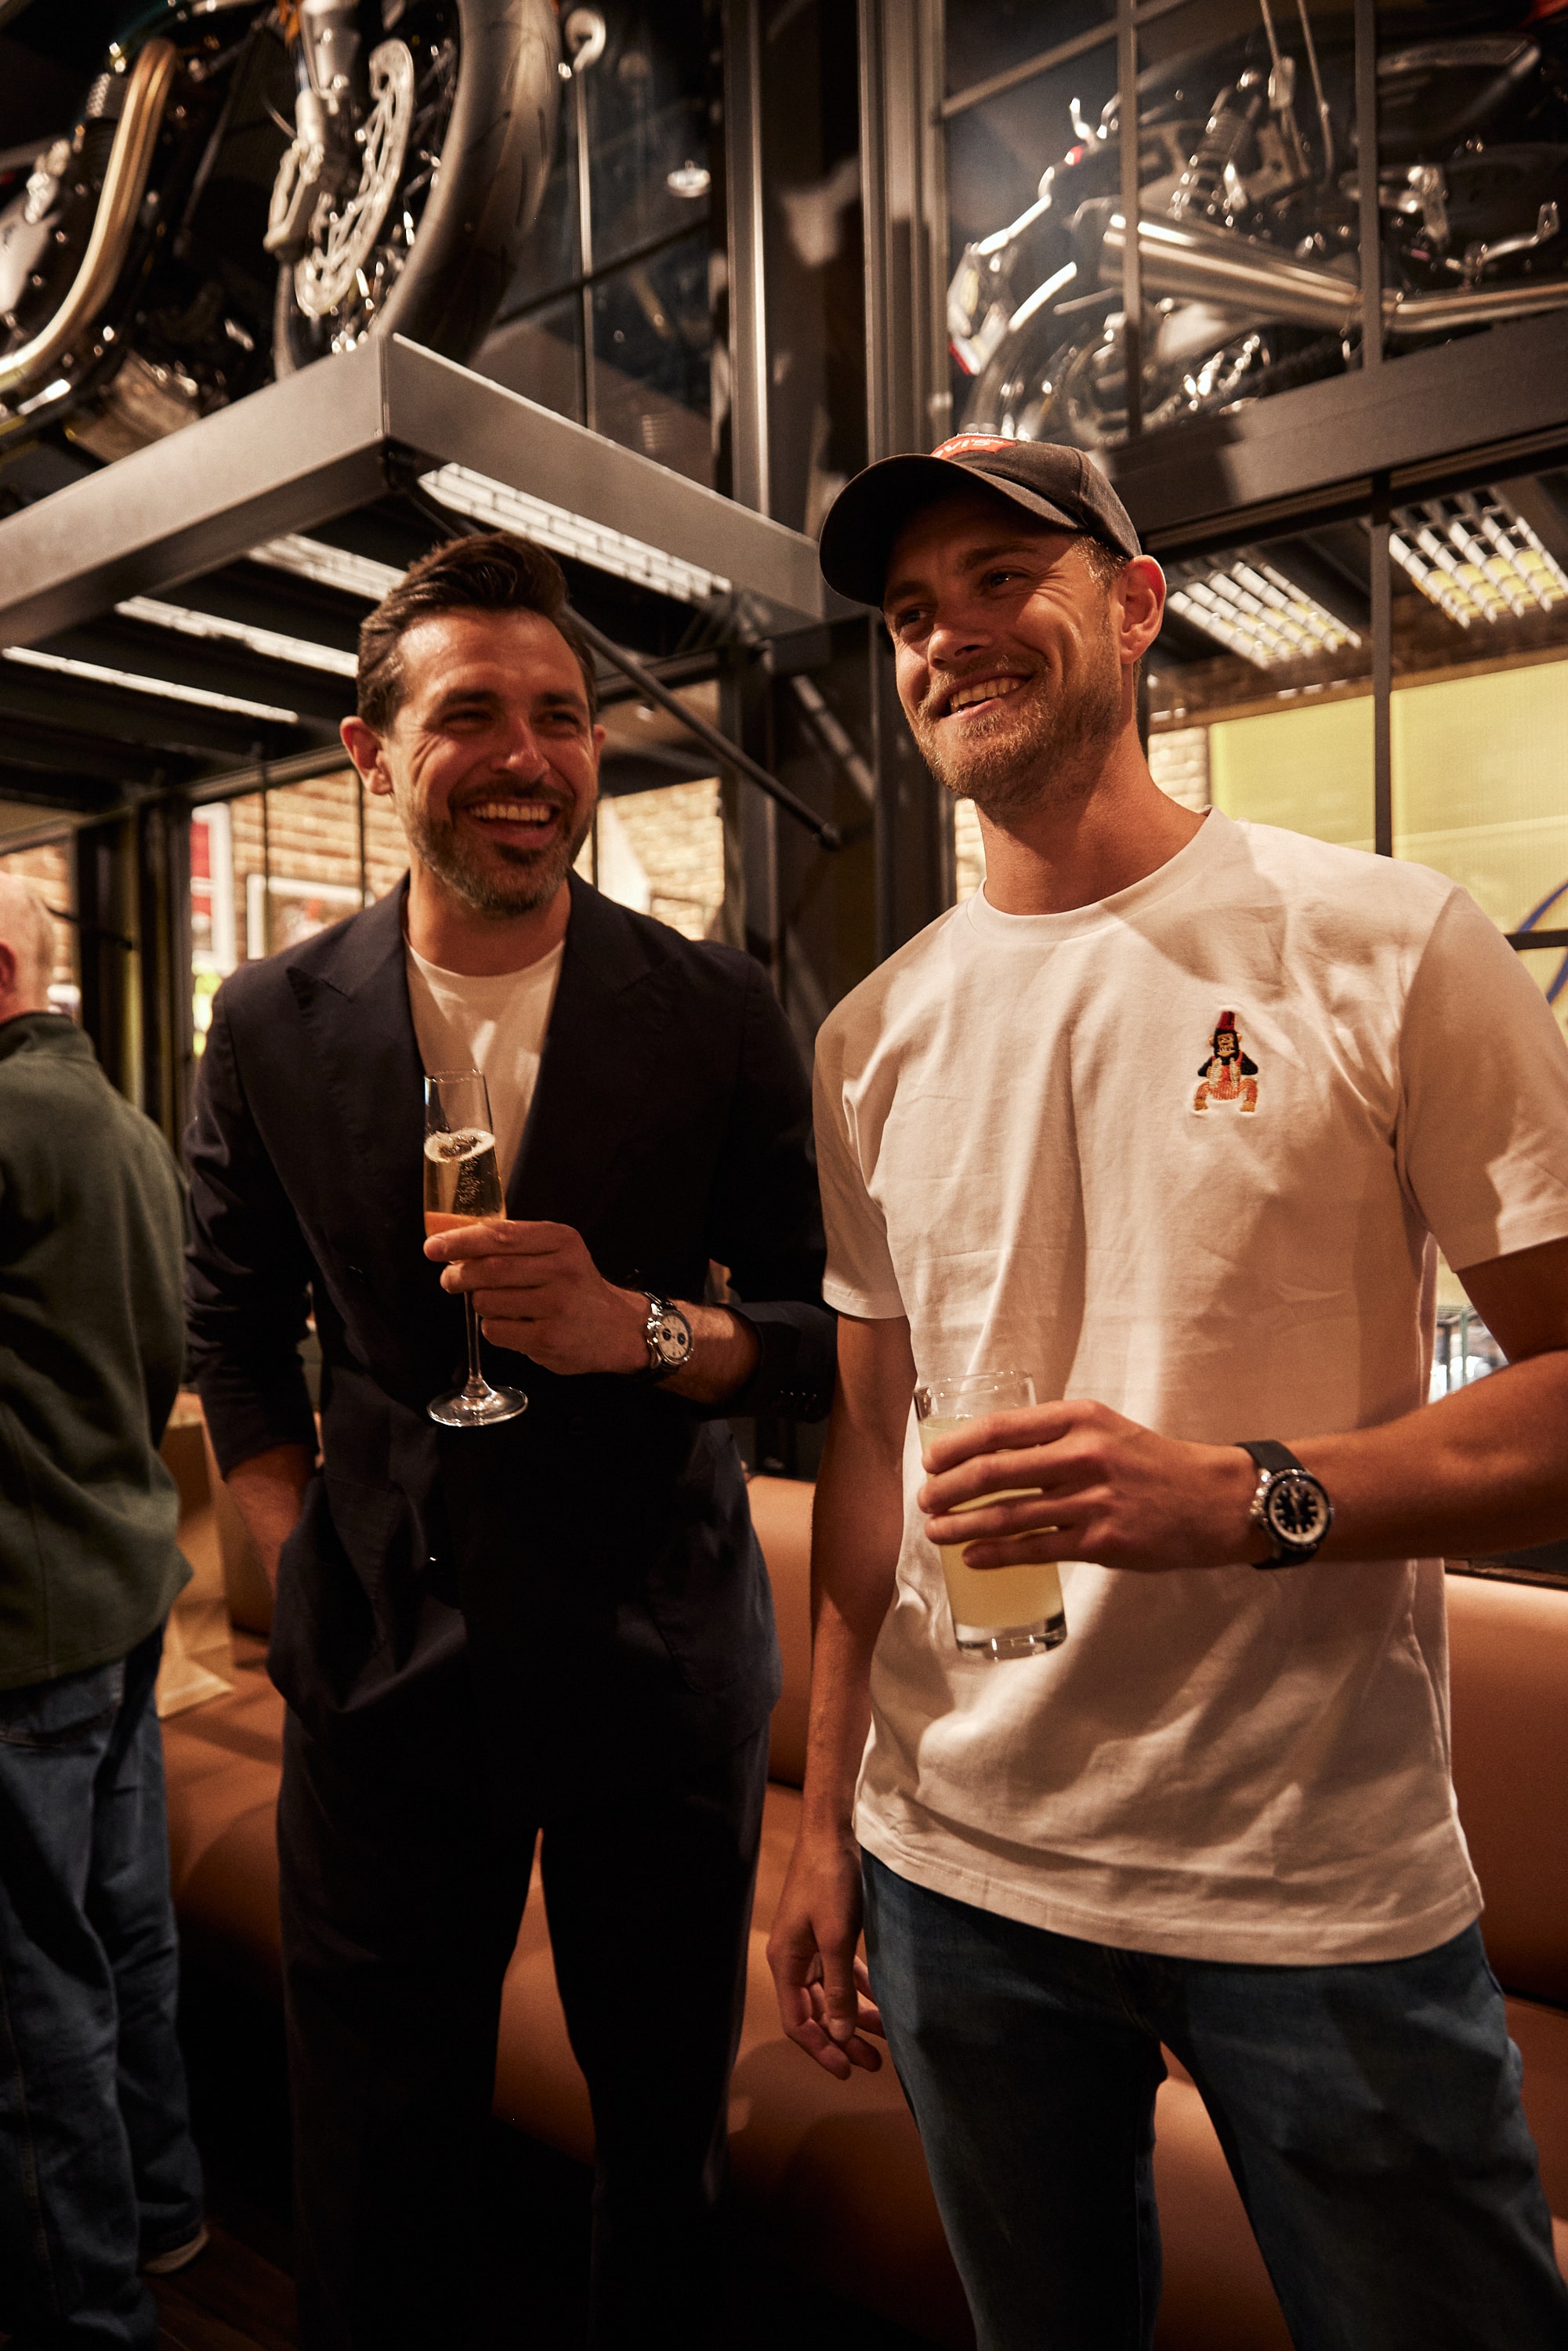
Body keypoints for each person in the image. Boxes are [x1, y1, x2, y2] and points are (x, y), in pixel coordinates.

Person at [767, 436, 1568, 2351]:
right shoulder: (869, 1038)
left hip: (1312, 1888)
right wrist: (821, 1820)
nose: (945, 637)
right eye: (903, 614)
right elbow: (869, 1444)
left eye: (995, 579)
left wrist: (1247, 1496)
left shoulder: (1385, 945)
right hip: (954, 1878)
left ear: (1134, 604)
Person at [184, 530, 835, 2351]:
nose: (530, 755)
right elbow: (230, 1325)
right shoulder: (266, 1022)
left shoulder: (708, 1012)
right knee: (370, 2146)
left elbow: (813, 1347)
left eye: (564, 716)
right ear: (370, 752)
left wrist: (638, 1329)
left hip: (651, 1650)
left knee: (655, 2148)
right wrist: (292, 1541)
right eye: (471, 711)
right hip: (381, 1652)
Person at [0, 874, 206, 2351]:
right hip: (119, 1585)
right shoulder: (119, 1121)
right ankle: (165, 2207)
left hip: (22, 1621)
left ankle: (89, 2309)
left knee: (31, 1993)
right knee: (126, 1932)